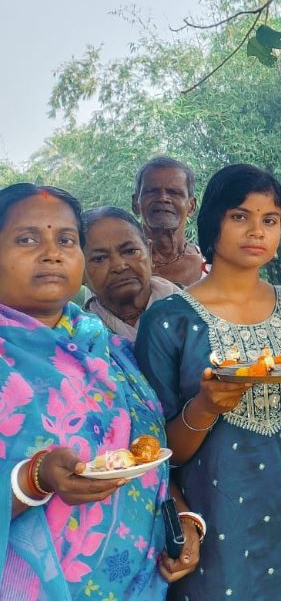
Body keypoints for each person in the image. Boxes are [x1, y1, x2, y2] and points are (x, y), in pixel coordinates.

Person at [135, 165, 281, 600]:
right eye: (240, 216)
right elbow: (154, 453)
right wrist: (205, 407)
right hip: (218, 521)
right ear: (212, 221)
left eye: (270, 220)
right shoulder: (169, 320)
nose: (257, 231)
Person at [0, 183, 198, 599]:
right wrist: (34, 479)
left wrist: (181, 517)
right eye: (27, 239)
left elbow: (145, 452)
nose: (52, 253)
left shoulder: (108, 348)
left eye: (66, 240)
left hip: (146, 582)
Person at [81, 207, 179, 340]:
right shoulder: (80, 336)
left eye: (130, 251)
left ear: (150, 253)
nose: (119, 266)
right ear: (80, 272)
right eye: (99, 258)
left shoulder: (192, 310)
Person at [132, 156, 206, 287]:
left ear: (192, 206)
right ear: (135, 203)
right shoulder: (118, 269)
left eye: (174, 192)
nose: (163, 198)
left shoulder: (212, 267)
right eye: (152, 191)